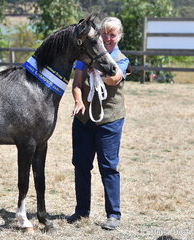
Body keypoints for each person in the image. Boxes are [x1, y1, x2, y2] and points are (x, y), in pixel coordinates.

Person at [66, 16, 130, 230]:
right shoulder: (84, 57)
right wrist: (78, 101)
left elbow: (115, 78)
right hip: (83, 119)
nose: (108, 38)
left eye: (113, 34)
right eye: (105, 34)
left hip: (109, 121)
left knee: (108, 167)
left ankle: (113, 214)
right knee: (81, 166)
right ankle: (81, 211)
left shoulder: (121, 58)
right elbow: (76, 84)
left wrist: (97, 74)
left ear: (119, 37)